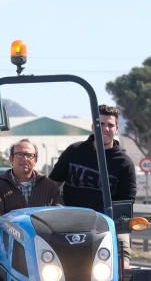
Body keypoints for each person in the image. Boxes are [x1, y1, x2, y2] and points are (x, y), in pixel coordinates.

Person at [48, 104, 137, 265]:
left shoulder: (125, 164)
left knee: (123, 260)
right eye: (100, 124)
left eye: (110, 125)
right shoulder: (74, 151)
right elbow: (51, 185)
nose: (105, 129)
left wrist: (114, 224)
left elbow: (126, 204)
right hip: (69, 222)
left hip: (107, 226)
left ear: (116, 129)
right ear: (93, 127)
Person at [0, 139, 62, 215]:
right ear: (11, 159)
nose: (25, 159)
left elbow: (58, 216)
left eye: (29, 155)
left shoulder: (49, 186)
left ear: (35, 160)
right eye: (19, 154)